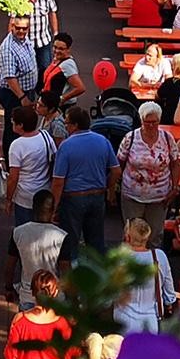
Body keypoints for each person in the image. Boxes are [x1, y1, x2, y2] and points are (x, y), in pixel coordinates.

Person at [50, 106, 119, 253]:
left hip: (73, 199)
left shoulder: (66, 146)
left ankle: (72, 272)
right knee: (96, 242)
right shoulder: (103, 141)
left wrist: (53, 206)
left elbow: (58, 182)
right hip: (97, 196)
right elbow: (116, 170)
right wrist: (106, 186)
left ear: (75, 125)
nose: (65, 126)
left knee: (70, 243)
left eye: (67, 123)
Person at [117, 104, 180, 241]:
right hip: (132, 196)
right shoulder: (130, 138)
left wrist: (175, 187)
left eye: (155, 122)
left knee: (155, 235)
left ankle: (154, 260)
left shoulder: (167, 138)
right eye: (147, 122)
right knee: (132, 234)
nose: (151, 125)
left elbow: (175, 163)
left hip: (160, 197)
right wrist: (114, 187)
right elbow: (120, 163)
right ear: (141, 120)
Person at [7, 271, 78, 359]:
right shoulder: (66, 322)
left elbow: (10, 356)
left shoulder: (20, 320)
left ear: (32, 292)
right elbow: (74, 355)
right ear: (55, 293)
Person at [115, 218, 180, 333]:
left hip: (123, 323)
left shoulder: (120, 258)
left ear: (127, 237)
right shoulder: (159, 257)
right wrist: (168, 303)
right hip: (151, 322)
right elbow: (170, 294)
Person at [10, 189, 72, 309]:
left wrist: (8, 288)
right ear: (53, 210)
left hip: (27, 296)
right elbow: (66, 271)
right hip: (54, 297)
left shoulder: (18, 232)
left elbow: (10, 266)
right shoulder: (61, 236)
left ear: (33, 208)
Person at [0, 16, 41, 112]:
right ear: (12, 26)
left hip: (27, 91)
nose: (21, 31)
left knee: (27, 122)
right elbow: (10, 77)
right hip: (14, 95)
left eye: (24, 28)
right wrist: (22, 97)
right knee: (14, 124)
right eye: (17, 27)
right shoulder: (8, 48)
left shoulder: (24, 39)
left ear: (28, 28)